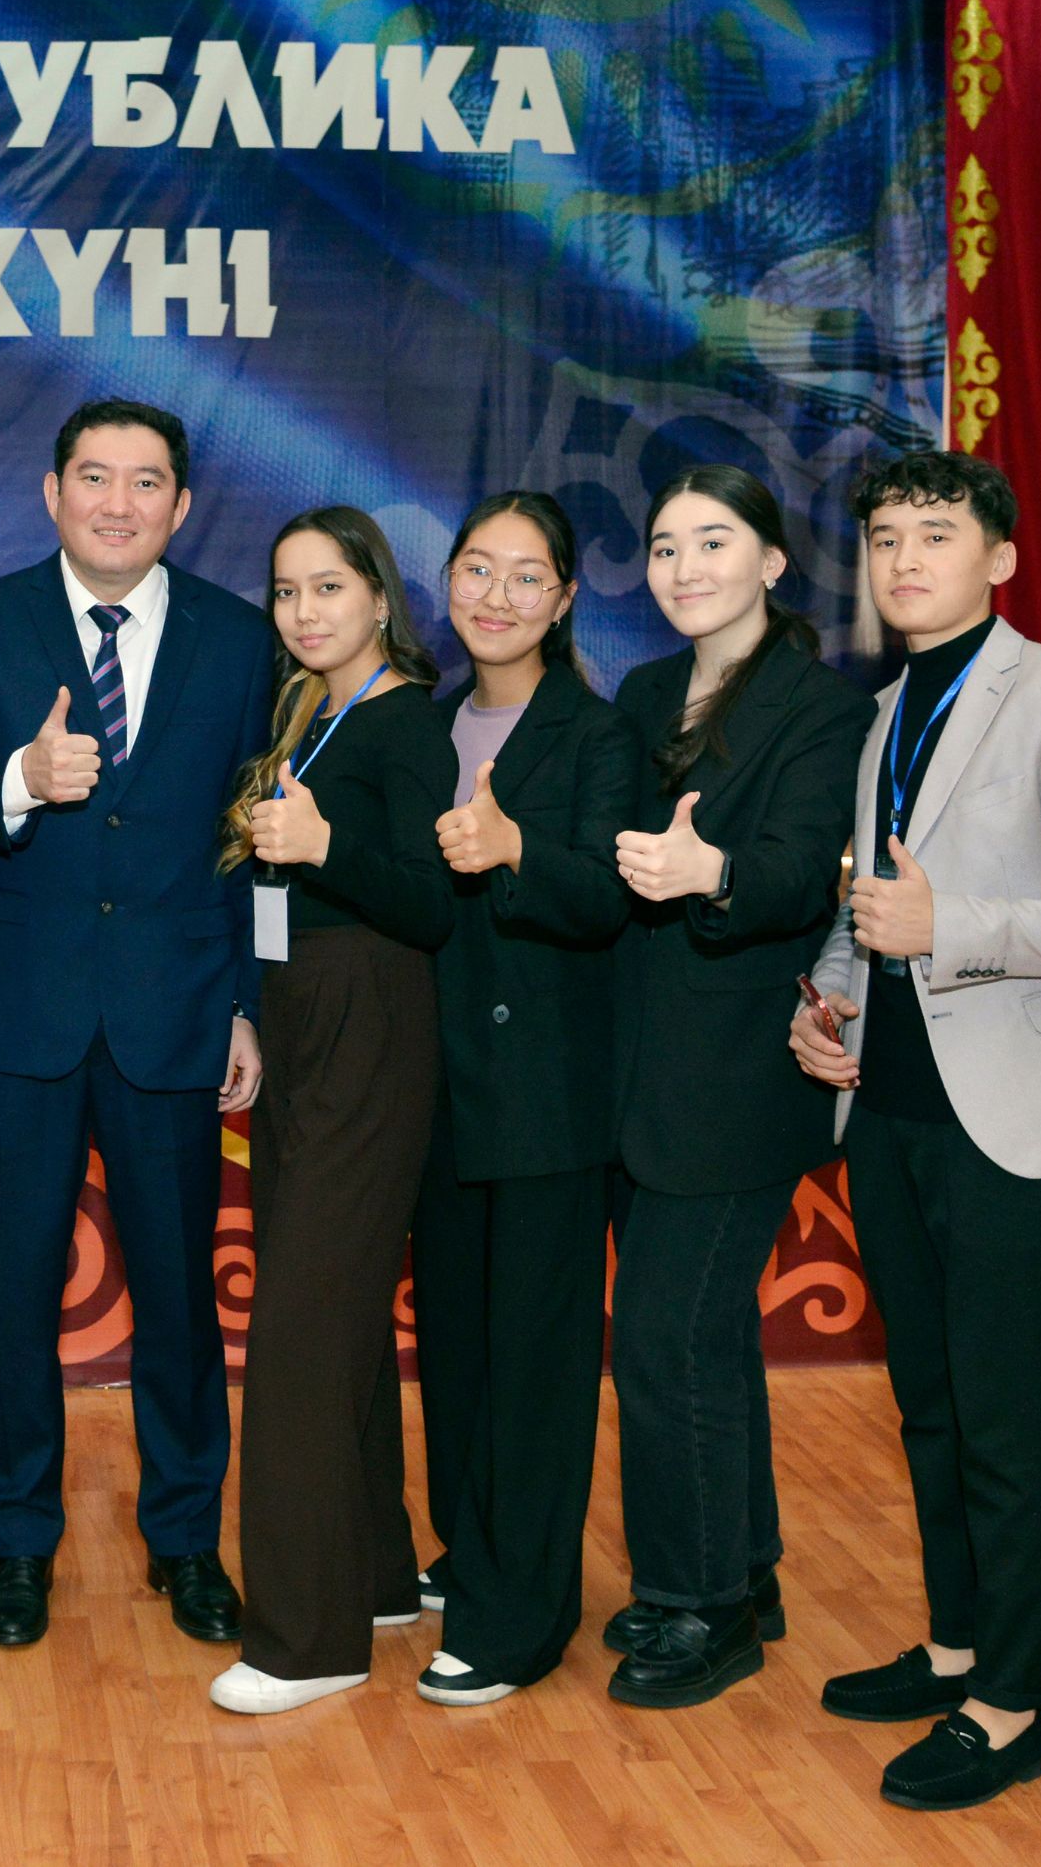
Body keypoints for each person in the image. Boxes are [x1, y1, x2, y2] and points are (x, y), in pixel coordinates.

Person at [787, 452, 1041, 1810]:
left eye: (933, 536)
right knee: (930, 1406)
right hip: (886, 1106)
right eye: (885, 537)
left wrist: (955, 928)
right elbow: (869, 905)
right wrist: (826, 997)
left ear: (998, 559)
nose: (902, 560)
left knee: (1007, 1423)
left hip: (1012, 1120)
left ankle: (1011, 1706)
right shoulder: (885, 710)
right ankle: (954, 1647)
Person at [0, 400, 274, 1650]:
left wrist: (244, 1004)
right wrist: (19, 780)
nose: (118, 503)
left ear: (182, 506)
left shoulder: (238, 637)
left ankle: (185, 1539)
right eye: (95, 478)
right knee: (11, 1292)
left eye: (146, 482)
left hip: (176, 1013)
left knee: (179, 1296)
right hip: (21, 1016)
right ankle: (17, 1543)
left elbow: (250, 842)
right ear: (51, 491)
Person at [598, 464, 868, 1711]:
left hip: (742, 1072)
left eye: (712, 542)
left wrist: (709, 874)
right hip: (641, 1066)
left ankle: (696, 1607)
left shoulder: (819, 706)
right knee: (700, 1336)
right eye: (664, 546)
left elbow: (799, 874)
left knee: (664, 1335)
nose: (683, 567)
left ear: (769, 562)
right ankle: (740, 1572)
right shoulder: (645, 692)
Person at [207, 506, 457, 1716]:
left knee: (301, 1332)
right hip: (299, 1016)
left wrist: (324, 846)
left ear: (378, 597)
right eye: (285, 590)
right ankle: (373, 1578)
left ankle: (307, 1642)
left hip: (371, 1020)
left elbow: (429, 904)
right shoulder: (306, 711)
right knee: (337, 1318)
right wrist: (252, 1009)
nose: (303, 611)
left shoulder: (406, 720)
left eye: (327, 588)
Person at [408, 491, 632, 1709]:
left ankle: (520, 1619)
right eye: (475, 569)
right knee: (455, 1344)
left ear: (562, 598)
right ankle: (472, 1546)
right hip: (434, 1091)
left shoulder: (594, 736)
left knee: (535, 1360)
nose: (495, 595)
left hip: (544, 1092)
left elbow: (608, 897)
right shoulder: (424, 721)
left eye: (524, 575)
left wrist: (517, 855)